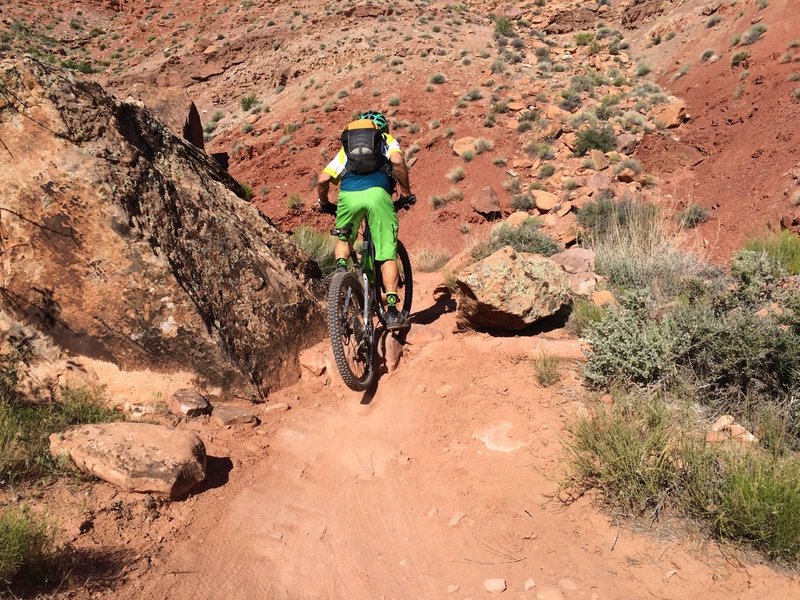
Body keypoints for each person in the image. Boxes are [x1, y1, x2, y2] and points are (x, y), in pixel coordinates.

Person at [316, 110, 414, 330]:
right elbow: (397, 161)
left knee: (344, 236)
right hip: (378, 195)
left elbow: (323, 179)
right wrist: (406, 193)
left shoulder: (347, 149)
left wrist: (324, 203)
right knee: (387, 252)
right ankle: (391, 311)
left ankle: (341, 273)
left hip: (349, 196)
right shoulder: (385, 139)